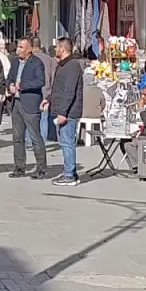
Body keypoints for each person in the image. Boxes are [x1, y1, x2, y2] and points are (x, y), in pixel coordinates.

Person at [6, 37, 48, 179]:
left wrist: (22, 85)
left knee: (35, 137)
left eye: (21, 47)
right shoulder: (15, 62)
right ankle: (19, 167)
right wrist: (9, 85)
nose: (18, 50)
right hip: (16, 103)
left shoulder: (36, 63)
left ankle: (41, 169)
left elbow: (40, 81)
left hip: (30, 103)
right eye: (18, 47)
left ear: (29, 49)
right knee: (17, 137)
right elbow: (10, 78)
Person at [48, 37, 84, 187]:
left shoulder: (72, 66)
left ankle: (69, 175)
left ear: (62, 49)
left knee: (67, 143)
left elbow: (69, 91)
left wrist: (63, 112)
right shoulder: (63, 65)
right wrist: (48, 99)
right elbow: (59, 88)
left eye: (57, 47)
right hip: (62, 109)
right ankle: (70, 171)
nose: (55, 50)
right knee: (64, 142)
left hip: (69, 112)